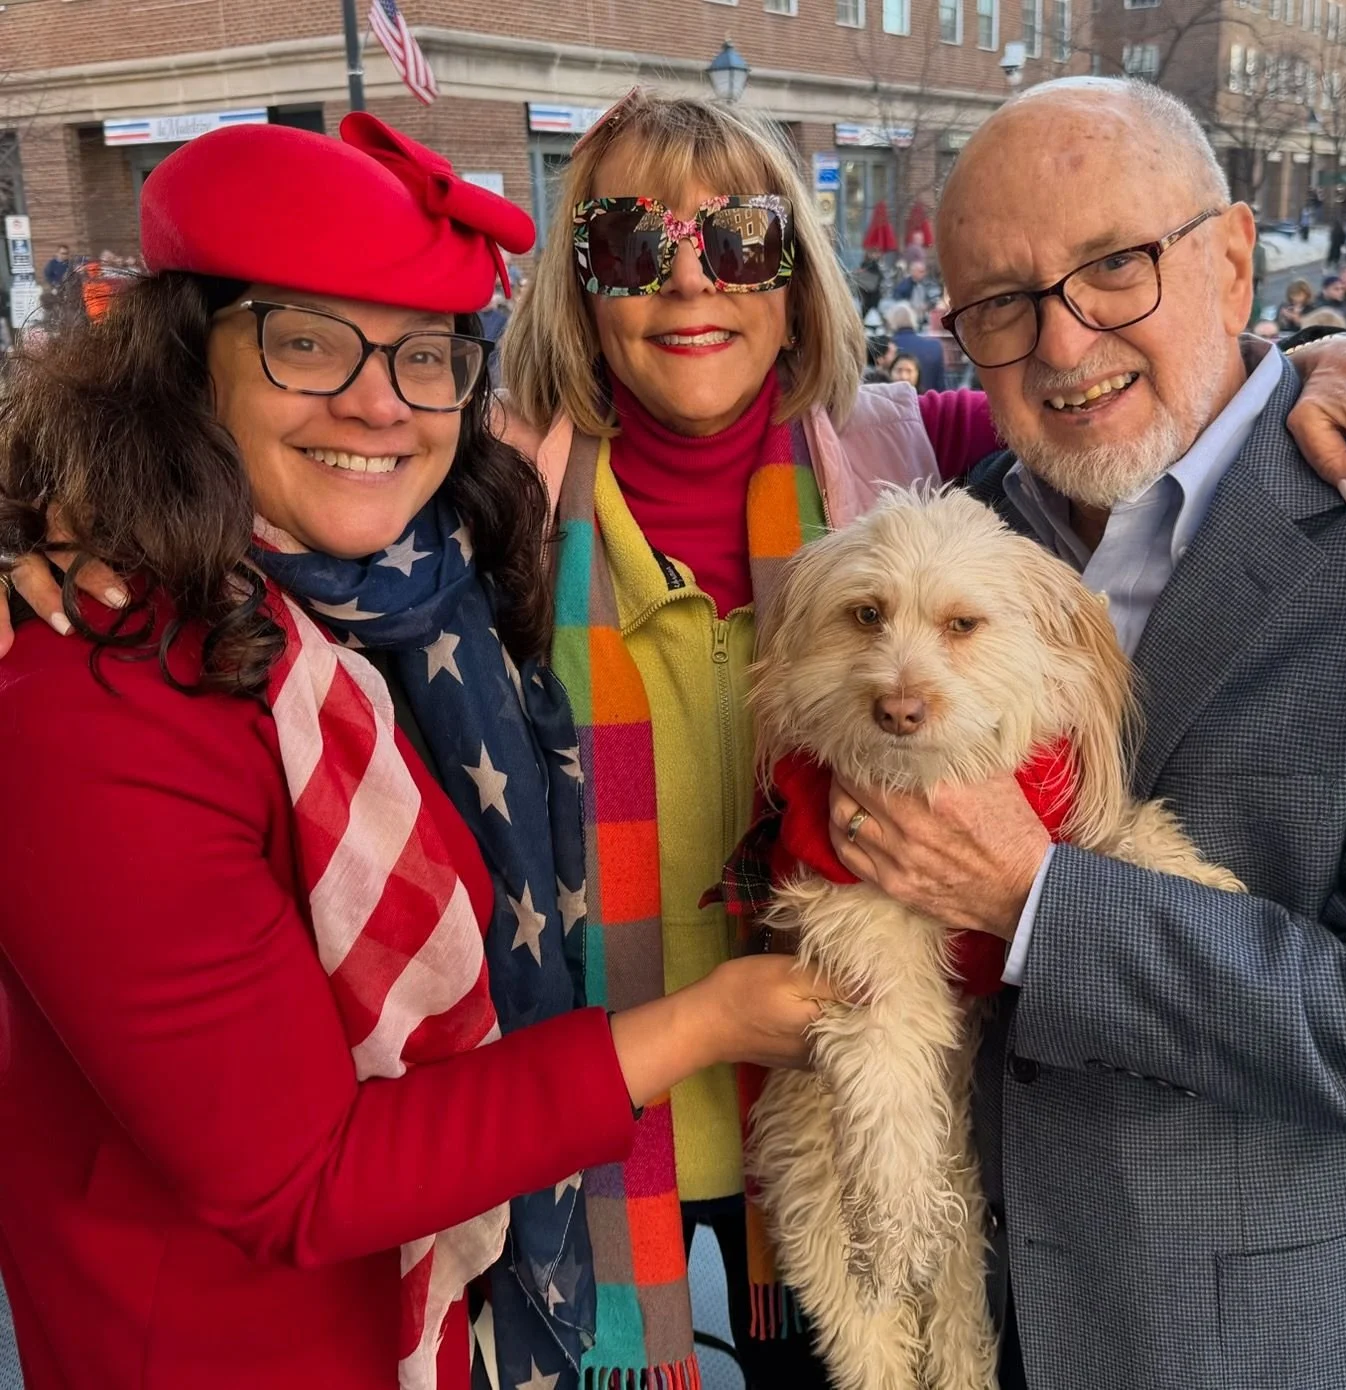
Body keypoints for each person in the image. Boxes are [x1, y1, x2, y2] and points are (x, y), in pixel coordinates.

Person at [0, 83, 1346, 1388]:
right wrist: (60, 516)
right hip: (573, 1119)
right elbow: (265, 476)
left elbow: (1147, 408)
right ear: (579, 284)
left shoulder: (901, 449)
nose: (690, 285)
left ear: (796, 272)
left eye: (737, 238)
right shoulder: (475, 486)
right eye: (629, 240)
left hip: (840, 1093)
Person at [0, 115, 831, 1390]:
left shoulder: (426, 587)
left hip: (473, 1282)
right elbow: (298, 1173)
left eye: (425, 353)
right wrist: (704, 1022)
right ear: (182, 360)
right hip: (256, 1337)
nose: (378, 399)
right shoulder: (93, 673)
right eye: (308, 342)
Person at [843, 75, 1346, 1390]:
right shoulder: (959, 542)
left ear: (1233, 260)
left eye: (1116, 267)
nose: (1065, 346)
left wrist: (1039, 902)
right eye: (1004, 305)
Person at [883, 298, 947, 391]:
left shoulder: (889, 348)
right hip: (929, 401)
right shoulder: (935, 346)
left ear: (892, 322)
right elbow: (941, 386)